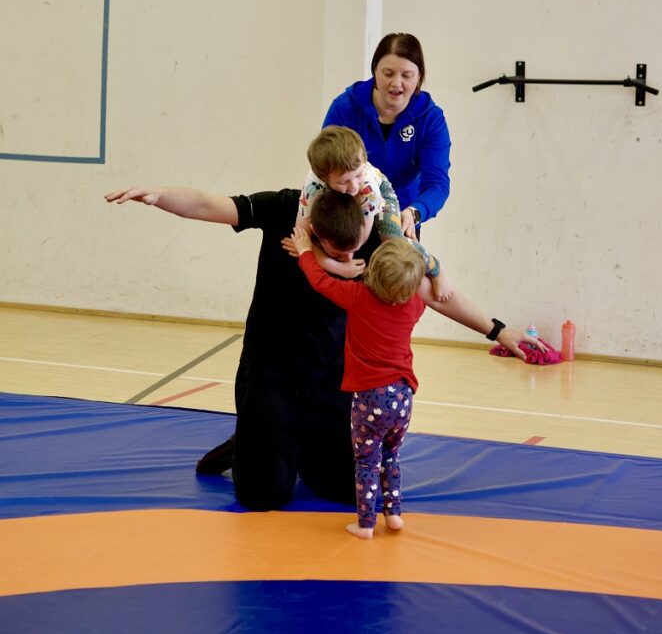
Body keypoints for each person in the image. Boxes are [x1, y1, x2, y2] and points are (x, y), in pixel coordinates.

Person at [105, 184, 537, 513]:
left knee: (343, 492)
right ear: (312, 229)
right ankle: (248, 440)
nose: (349, 259)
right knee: (264, 498)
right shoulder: (284, 209)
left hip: (334, 381)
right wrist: (159, 195)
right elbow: (210, 206)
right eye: (336, 252)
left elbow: (432, 292)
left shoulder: (376, 231)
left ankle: (287, 443)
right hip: (271, 373)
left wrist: (496, 330)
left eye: (356, 249)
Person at [292, 229, 429, 540]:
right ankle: (393, 514)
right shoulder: (414, 305)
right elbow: (424, 280)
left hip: (371, 397)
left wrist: (304, 251)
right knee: (391, 456)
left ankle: (365, 524)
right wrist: (437, 274)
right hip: (404, 395)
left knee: (366, 461)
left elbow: (321, 282)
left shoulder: (359, 298)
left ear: (372, 273)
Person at [297, 125, 451, 301]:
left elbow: (360, 238)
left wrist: (341, 259)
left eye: (358, 174)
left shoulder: (367, 187)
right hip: (339, 196)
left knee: (393, 242)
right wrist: (338, 267)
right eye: (344, 181)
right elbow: (300, 237)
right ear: (324, 178)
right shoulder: (313, 186)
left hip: (380, 193)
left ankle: (435, 267)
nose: (354, 186)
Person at [323, 32, 450, 239]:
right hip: (348, 213)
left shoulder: (430, 119)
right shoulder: (345, 108)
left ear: (419, 77)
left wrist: (414, 212)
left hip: (400, 217)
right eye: (388, 73)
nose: (396, 83)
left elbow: (437, 184)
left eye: (406, 76)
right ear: (375, 71)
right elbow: (325, 166)